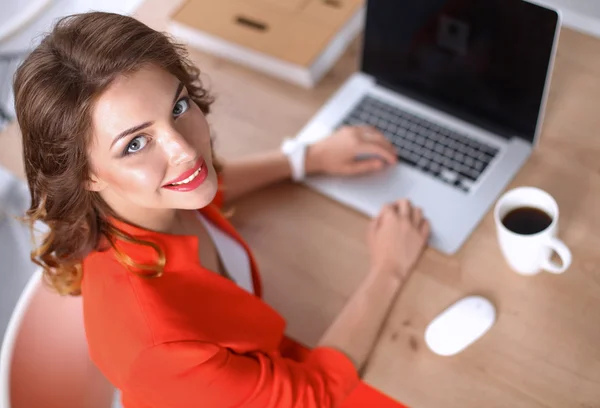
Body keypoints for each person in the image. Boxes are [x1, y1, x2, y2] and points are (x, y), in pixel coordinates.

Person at [14, 11, 430, 408]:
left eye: (177, 107)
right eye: (135, 144)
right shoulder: (160, 346)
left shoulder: (144, 202)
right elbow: (313, 396)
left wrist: (305, 159)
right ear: (84, 174)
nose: (186, 150)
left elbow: (210, 185)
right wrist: (389, 268)